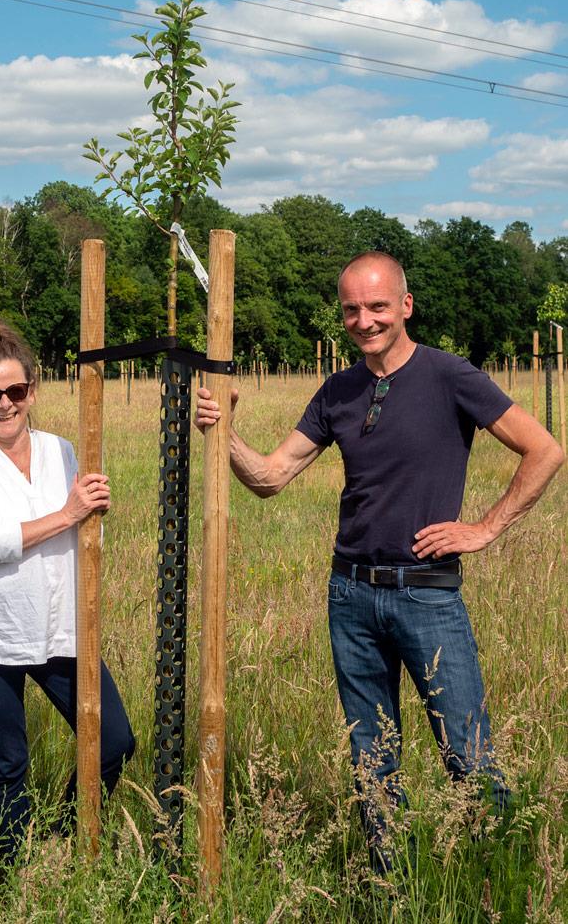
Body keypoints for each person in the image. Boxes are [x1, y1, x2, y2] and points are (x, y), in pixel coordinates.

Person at [195, 250, 564, 871]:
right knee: (371, 758)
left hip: (427, 595)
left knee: (468, 755)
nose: (364, 320)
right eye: (352, 309)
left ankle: (505, 883)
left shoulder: (451, 376)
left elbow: (545, 450)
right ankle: (391, 886)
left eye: (377, 306)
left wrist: (483, 529)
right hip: (351, 597)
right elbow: (270, 476)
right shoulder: (338, 390)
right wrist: (222, 430)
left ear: (405, 306)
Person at [0, 317, 135, 862]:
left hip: (63, 624)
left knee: (115, 743)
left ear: (34, 388)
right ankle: (11, 878)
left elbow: (82, 532)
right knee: (9, 765)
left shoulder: (64, 450)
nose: (5, 404)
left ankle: (62, 841)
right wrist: (70, 511)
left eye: (16, 390)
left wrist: (93, 512)